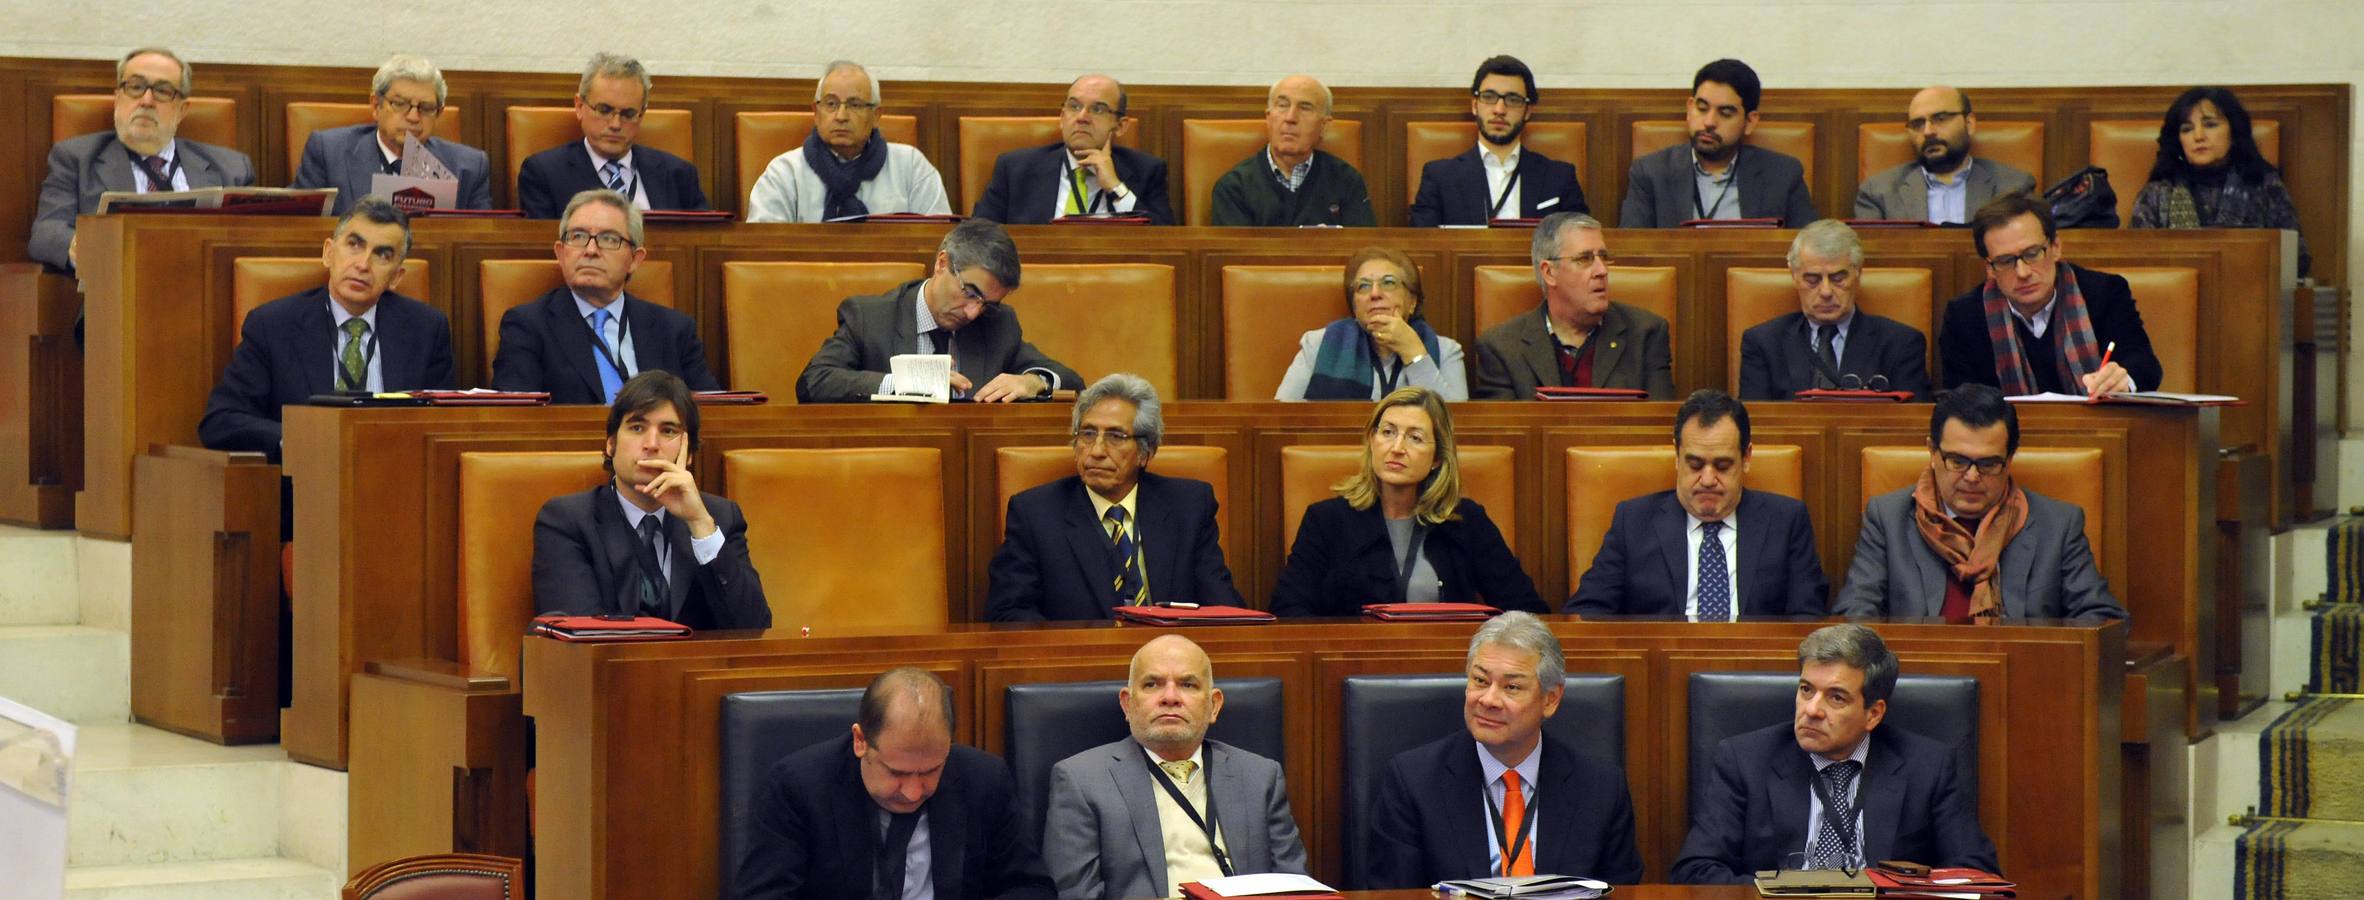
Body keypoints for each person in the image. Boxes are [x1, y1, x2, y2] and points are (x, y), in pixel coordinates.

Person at [1670, 624, 1998, 883]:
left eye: (1836, 698)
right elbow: (1696, 872)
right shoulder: (1744, 760)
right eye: (1806, 690)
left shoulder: (1927, 766)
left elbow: (1974, 873)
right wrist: (1782, 892)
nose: (1812, 710)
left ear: (1874, 713)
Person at [1367, 611, 1643, 886]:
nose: (1488, 700)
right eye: (1480, 681)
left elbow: (1620, 893)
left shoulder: (1601, 789)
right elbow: (1394, 893)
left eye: (1511, 687)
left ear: (1550, 698)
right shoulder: (1413, 783)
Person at [733, 667, 1054, 900]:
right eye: (897, 773)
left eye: (930, 771)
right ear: (861, 741)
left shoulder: (984, 780)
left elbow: (1030, 887)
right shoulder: (798, 787)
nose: (913, 792)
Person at [1042, 635, 1308, 899]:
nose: (1170, 697)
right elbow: (1076, 895)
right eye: (1152, 684)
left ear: (1214, 705)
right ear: (1127, 703)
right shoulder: (1081, 780)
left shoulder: (1260, 776)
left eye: (1188, 684)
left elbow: (1296, 887)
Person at [1834, 385, 2126, 621]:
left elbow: (2102, 617)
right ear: (1932, 453)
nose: (1972, 477)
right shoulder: (1888, 517)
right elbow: (1855, 613)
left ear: (2009, 460)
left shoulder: (2058, 523)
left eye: (1988, 464)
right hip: (1916, 682)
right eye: (1958, 461)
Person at [198, 196, 453, 459]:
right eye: (354, 245)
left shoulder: (426, 330)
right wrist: (298, 441)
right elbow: (221, 421)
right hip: (303, 484)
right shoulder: (273, 325)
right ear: (328, 253)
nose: (363, 265)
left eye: (382, 255)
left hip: (391, 480)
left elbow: (443, 427)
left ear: (396, 277)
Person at [1269, 387, 1545, 616]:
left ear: (1438, 457)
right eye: (1387, 432)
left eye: (1415, 438)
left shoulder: (1465, 521)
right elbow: (1289, 609)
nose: (1397, 448)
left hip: (1450, 668)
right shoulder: (1327, 520)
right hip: (1352, 668)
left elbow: (1527, 611)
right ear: (1372, 440)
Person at [987, 375, 1242, 621]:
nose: (1096, 451)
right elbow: (1010, 613)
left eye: (1115, 437)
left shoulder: (1189, 506)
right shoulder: (1036, 513)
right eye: (1087, 434)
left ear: (1146, 453)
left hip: (1170, 658)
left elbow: (1222, 607)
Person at [530, 370, 770, 629]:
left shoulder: (718, 517)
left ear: (688, 453)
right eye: (637, 427)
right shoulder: (567, 521)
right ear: (611, 444)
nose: (651, 444)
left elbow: (754, 627)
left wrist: (700, 525)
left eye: (668, 431)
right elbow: (577, 635)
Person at [1567, 390, 1827, 617]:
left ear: (1746, 457)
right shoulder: (1634, 521)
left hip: (1754, 668)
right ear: (1677, 456)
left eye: (1723, 466)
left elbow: (1807, 618)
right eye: (1695, 464)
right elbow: (1588, 612)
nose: (1707, 479)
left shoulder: (1786, 520)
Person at [795, 219, 1080, 403]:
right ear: (942, 263)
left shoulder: (998, 324)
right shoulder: (870, 317)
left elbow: (1073, 381)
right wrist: (907, 384)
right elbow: (814, 382)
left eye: (987, 304)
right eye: (970, 292)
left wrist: (1033, 381)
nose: (972, 313)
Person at [31, 46, 256, 273]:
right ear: (118, 98)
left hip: (205, 291)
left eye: (163, 91)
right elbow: (47, 232)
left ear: (182, 109)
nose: (147, 101)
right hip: (118, 291)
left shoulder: (232, 168)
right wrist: (82, 247)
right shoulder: (76, 159)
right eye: (136, 87)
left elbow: (252, 243)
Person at [491, 188, 722, 403]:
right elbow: (518, 416)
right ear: (560, 254)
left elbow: (712, 409)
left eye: (609, 239)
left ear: (635, 259)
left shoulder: (674, 330)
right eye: (578, 236)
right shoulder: (527, 326)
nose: (590, 250)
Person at [1938, 194, 2162, 397]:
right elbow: (1960, 400)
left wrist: (2123, 379)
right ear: (1989, 268)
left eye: (2032, 254)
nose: (2023, 272)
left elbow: (2144, 365)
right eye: (2005, 261)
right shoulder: (1964, 316)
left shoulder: (2105, 292)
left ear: (2055, 248)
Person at [1471, 212, 1674, 399]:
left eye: (1603, 257)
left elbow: (1658, 425)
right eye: (1585, 259)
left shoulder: (1646, 334)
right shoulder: (1502, 348)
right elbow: (1506, 434)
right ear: (1549, 272)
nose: (1601, 270)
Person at [1738, 220, 1933, 400]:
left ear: (1858, 274)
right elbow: (1755, 423)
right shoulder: (1763, 343)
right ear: (1794, 277)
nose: (1825, 292)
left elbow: (1912, 425)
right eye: (1812, 280)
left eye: (1838, 279)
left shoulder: (1900, 343)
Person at [2130, 86, 2311, 278]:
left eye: (2210, 125)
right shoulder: (2157, 193)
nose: (2198, 136)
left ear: (2234, 132)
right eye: (2187, 129)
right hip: (2173, 301)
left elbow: (2297, 258)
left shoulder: (2264, 185)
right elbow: (2139, 263)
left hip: (2249, 297)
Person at [1620, 59, 1817, 228]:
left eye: (1725, 113)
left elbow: (1810, 249)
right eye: (1702, 108)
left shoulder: (1783, 174)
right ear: (1689, 109)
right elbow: (1634, 251)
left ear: (1750, 122)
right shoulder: (1650, 172)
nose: (1709, 122)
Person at [746, 60, 951, 223]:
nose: (841, 115)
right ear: (816, 113)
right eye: (831, 104)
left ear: (876, 115)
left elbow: (939, 245)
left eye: (855, 105)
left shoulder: (911, 167)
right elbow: (763, 250)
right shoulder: (784, 172)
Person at [515, 52, 710, 219]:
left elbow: (703, 242)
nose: (616, 124)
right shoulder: (544, 173)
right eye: (604, 110)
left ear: (641, 115)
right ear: (579, 106)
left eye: (628, 114)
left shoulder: (678, 174)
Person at [292, 54, 492, 215]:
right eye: (400, 104)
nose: (413, 117)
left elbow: (480, 242)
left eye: (426, 108)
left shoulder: (470, 167)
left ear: (438, 113)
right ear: (376, 105)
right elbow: (302, 228)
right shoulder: (328, 152)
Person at [1407, 55, 1587, 227]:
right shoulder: (1440, 177)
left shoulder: (1559, 177)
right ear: (1474, 105)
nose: (1499, 109)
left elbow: (1581, 241)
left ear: (1528, 111)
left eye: (1513, 100)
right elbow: (1424, 243)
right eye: (1489, 97)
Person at [970, 75, 1173, 225]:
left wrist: (1116, 187)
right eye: (1074, 107)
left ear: (1120, 126)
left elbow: (1165, 240)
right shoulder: (1015, 169)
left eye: (1098, 109)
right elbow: (977, 236)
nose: (1082, 117)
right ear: (1062, 117)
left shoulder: (1147, 170)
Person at [1275, 247, 1468, 401]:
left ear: (1412, 302)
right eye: (1364, 286)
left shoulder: (1446, 351)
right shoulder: (1317, 345)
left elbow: (1456, 426)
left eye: (1389, 283)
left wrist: (1414, 352)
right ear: (1354, 305)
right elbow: (1282, 418)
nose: (1375, 293)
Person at [1208, 75, 1375, 227]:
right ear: (1269, 117)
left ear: (1324, 125)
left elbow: (1365, 252)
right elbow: (1236, 257)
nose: (1290, 118)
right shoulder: (1234, 187)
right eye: (1282, 105)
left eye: (1305, 108)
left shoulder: (1346, 181)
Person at [1853, 87, 2036, 225]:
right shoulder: (1877, 193)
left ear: (1969, 123)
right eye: (1917, 124)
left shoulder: (2014, 188)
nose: (1928, 131)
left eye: (1940, 119)